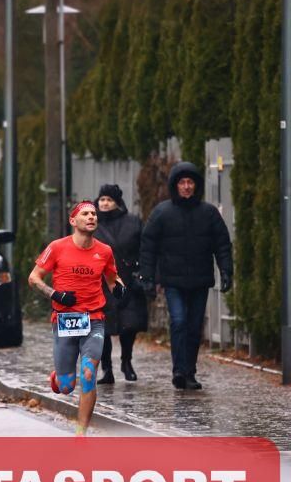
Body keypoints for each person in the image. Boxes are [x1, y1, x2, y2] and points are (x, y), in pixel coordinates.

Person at [29, 201, 125, 437]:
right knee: (66, 386)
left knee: (89, 374)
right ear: (73, 221)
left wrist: (120, 288)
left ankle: (80, 433)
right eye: (85, 214)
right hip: (65, 320)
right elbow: (34, 278)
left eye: (94, 213)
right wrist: (55, 294)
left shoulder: (105, 251)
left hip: (94, 319)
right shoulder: (57, 247)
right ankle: (58, 378)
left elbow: (113, 279)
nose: (91, 217)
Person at [139, 162, 233, 390]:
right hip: (173, 281)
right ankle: (179, 370)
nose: (187, 186)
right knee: (179, 321)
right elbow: (148, 247)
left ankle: (189, 371)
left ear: (196, 185)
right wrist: (147, 277)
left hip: (200, 280)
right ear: (175, 185)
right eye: (182, 182)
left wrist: (226, 271)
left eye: (190, 182)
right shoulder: (162, 213)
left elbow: (222, 245)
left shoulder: (208, 213)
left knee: (194, 326)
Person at [94, 184, 148, 384]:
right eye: (102, 199)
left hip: (127, 281)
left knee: (129, 325)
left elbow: (143, 248)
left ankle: (127, 361)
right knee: (102, 328)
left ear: (117, 202)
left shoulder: (132, 222)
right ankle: (107, 369)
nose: (105, 203)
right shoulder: (91, 223)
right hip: (99, 283)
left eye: (109, 200)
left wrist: (142, 273)